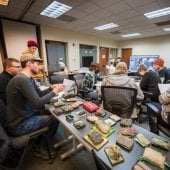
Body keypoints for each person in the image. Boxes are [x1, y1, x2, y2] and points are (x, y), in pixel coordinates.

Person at [5, 54, 64, 160]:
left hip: (25, 116)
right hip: (20, 125)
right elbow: (38, 103)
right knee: (55, 119)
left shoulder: (28, 79)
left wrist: (51, 88)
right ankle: (41, 147)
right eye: (37, 64)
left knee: (50, 112)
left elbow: (39, 94)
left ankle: (41, 141)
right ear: (29, 64)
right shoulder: (21, 80)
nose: (40, 67)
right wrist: (55, 91)